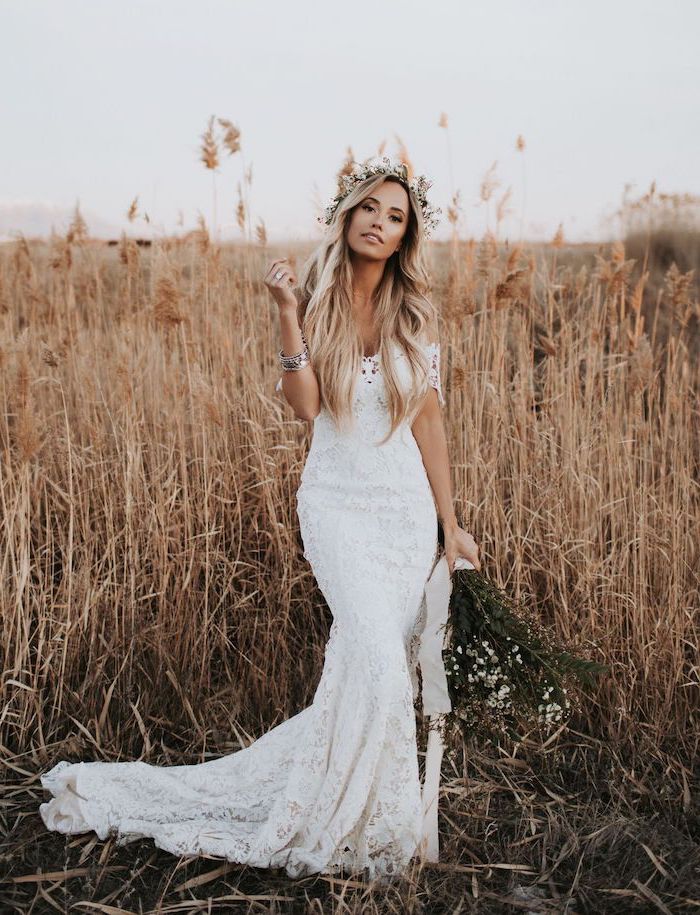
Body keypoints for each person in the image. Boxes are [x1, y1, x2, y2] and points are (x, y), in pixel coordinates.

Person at [39, 156, 481, 882]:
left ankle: (376, 813)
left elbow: (429, 422)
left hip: (403, 514)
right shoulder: (316, 296)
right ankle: (351, 819)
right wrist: (286, 313)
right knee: (373, 656)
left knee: (375, 675)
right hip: (338, 506)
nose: (380, 222)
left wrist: (450, 523)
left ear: (407, 235)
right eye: (369, 208)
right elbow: (306, 407)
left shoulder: (417, 314)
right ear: (347, 215)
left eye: (395, 216)